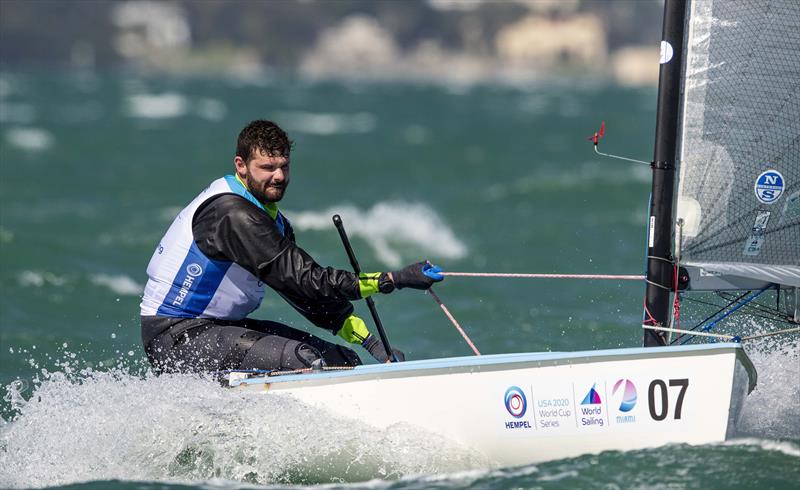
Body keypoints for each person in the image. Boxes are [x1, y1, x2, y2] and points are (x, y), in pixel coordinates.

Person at [139, 120, 443, 373]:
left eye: (284, 166)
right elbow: (304, 277)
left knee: (342, 362)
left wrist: (373, 347)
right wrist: (392, 280)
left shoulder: (273, 221)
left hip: (221, 327)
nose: (280, 176)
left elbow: (306, 296)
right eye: (268, 167)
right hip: (176, 337)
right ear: (241, 166)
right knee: (305, 360)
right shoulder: (233, 215)